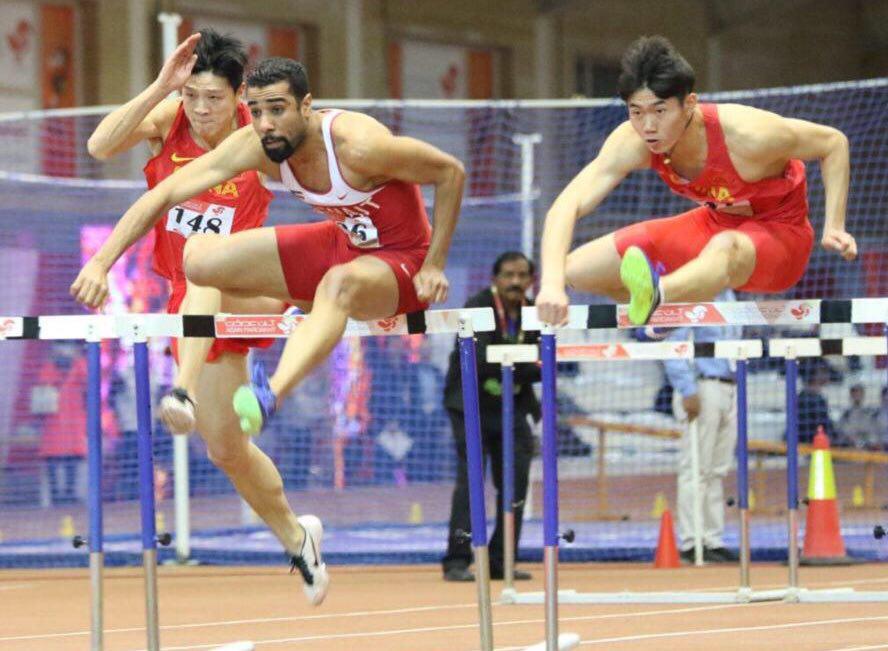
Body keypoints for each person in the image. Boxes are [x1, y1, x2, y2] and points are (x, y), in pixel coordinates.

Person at [72, 57, 465, 602]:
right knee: (201, 258)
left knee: (338, 287)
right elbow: (158, 194)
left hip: (395, 260)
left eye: (276, 110)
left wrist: (435, 263)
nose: (264, 123)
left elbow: (451, 171)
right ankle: (213, 380)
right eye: (256, 112)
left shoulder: (357, 144)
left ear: (306, 105)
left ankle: (271, 391)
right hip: (304, 262)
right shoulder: (241, 141)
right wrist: (101, 263)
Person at [76, 33, 324, 605]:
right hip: (188, 305)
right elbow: (98, 145)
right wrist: (162, 86)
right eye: (191, 96)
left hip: (246, 289)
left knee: (205, 270)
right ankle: (299, 538)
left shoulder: (258, 135)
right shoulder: (171, 115)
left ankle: (179, 393)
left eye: (212, 98)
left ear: (238, 93)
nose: (201, 110)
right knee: (225, 450)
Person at [536, 35, 856, 328]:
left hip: (781, 239)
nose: (648, 126)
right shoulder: (631, 141)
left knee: (725, 246)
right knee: (575, 270)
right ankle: (665, 314)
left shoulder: (749, 134)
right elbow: (568, 203)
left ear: (689, 103)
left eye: (659, 111)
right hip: (714, 225)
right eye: (636, 112)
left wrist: (835, 226)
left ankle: (660, 298)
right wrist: (551, 284)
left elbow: (833, 143)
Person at [441, 251, 539, 582]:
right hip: (471, 406)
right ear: (495, 279)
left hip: (512, 409)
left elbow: (545, 362)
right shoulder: (477, 306)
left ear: (531, 280)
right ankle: (456, 560)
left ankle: (502, 561)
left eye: (523, 275)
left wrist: (525, 367)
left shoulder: (534, 312)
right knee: (471, 481)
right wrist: (524, 364)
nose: (516, 281)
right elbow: (480, 360)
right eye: (509, 275)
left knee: (516, 483)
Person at [659, 288, 740, 563]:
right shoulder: (692, 292)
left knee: (717, 469)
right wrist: (686, 389)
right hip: (702, 386)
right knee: (696, 466)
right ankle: (691, 540)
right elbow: (673, 343)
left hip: (730, 385)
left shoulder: (729, 295)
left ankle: (712, 538)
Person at [795, 359, 835, 444]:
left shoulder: (817, 398)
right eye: (824, 371)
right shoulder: (806, 399)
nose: (827, 375)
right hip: (810, 444)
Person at [837, 383, 877, 449]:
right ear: (851, 395)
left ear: (863, 395)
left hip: (866, 448)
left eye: (859, 393)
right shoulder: (846, 414)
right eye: (854, 393)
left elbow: (872, 434)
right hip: (849, 447)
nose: (857, 396)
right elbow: (841, 431)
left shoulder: (869, 413)